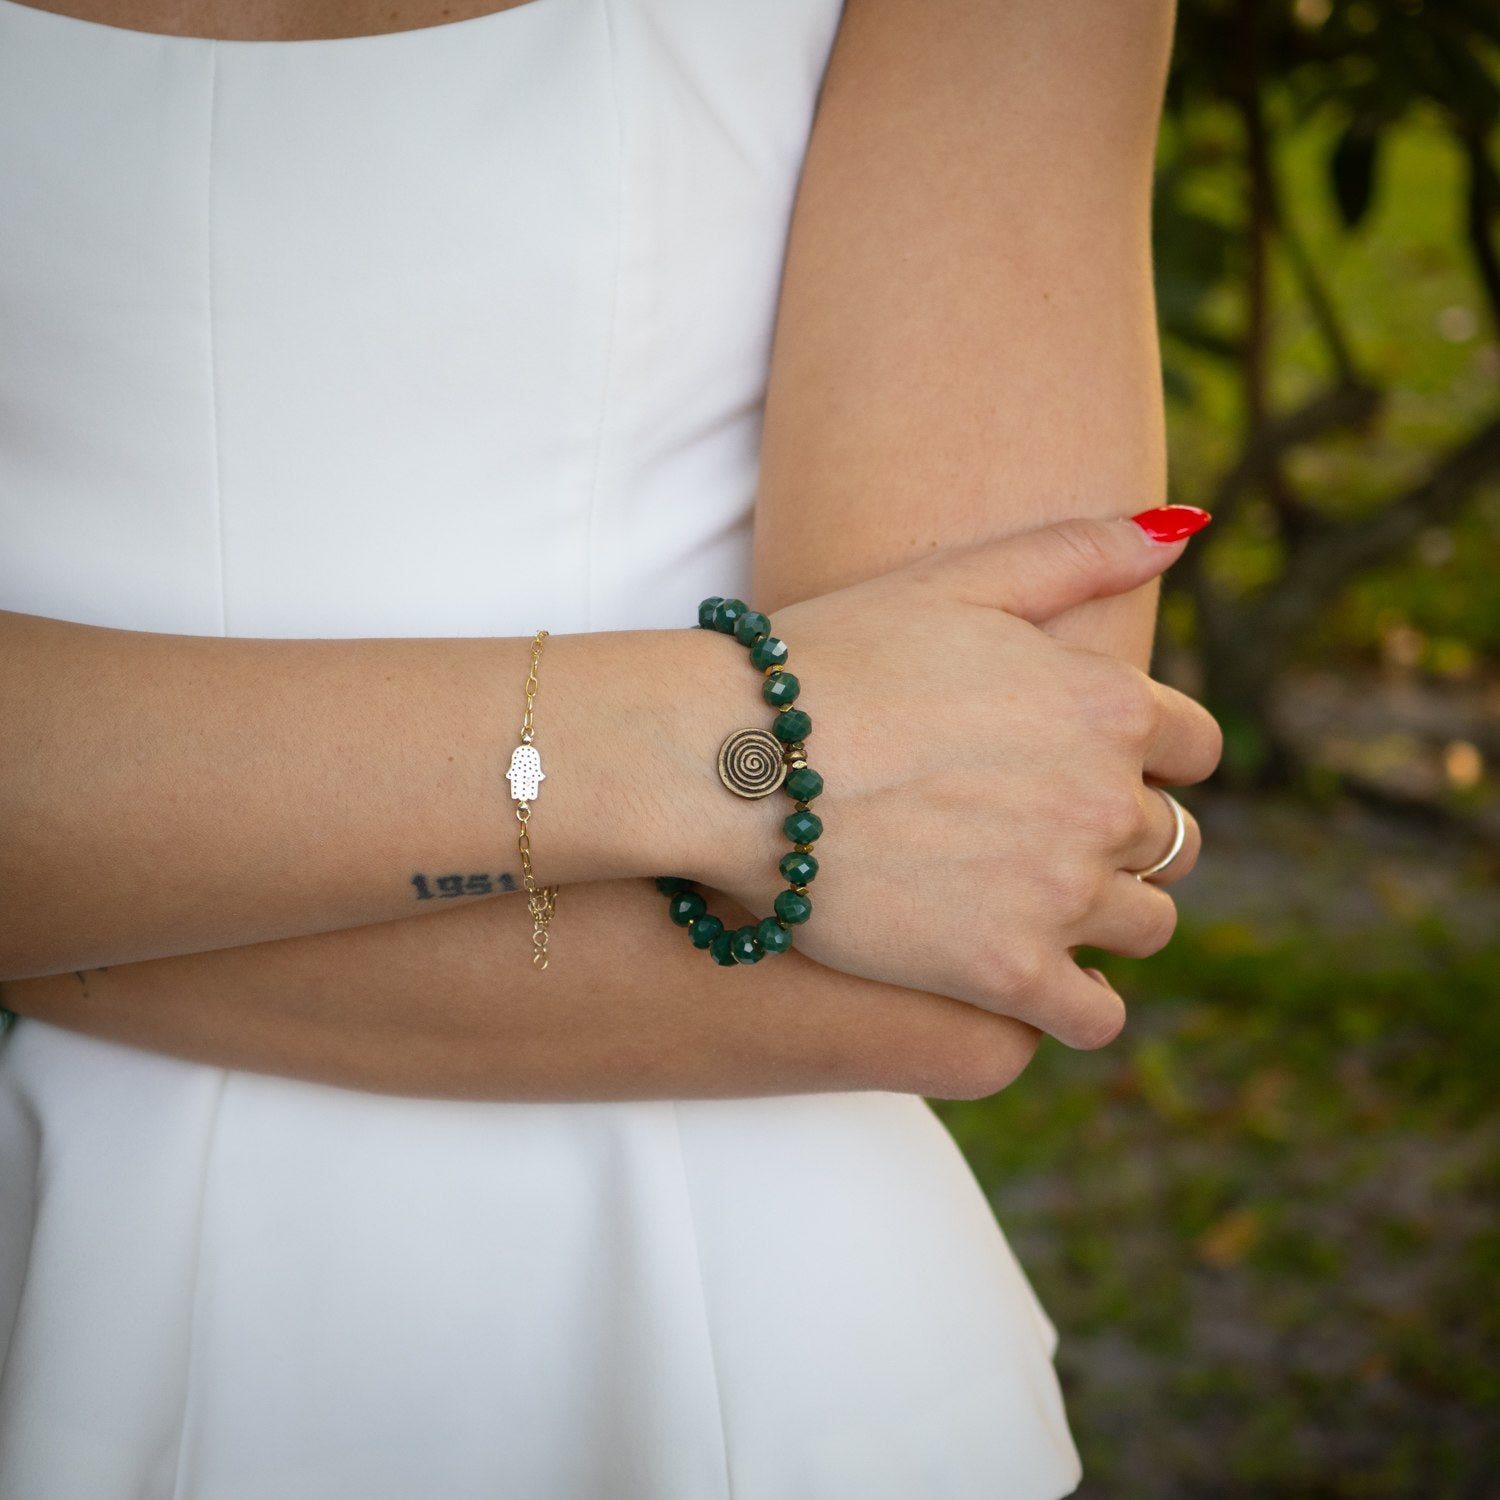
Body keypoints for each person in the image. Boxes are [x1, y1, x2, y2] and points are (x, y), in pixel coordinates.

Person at [0, 0, 1220, 1495]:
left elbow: (941, 965)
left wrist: (58, 842)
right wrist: (710, 754)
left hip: (730, 1334)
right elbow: (891, 851)